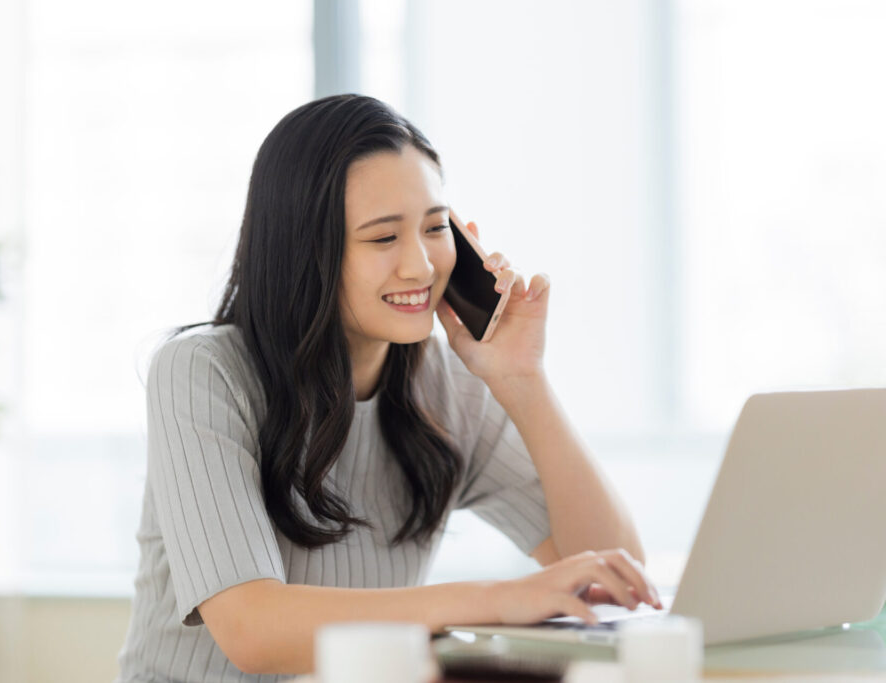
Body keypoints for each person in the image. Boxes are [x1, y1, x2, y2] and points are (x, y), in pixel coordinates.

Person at [116, 94, 660, 683]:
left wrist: (523, 382)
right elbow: (253, 629)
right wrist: (498, 599)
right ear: (306, 251)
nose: (422, 267)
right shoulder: (202, 371)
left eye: (434, 228)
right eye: (382, 239)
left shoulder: (447, 385)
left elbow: (612, 577)